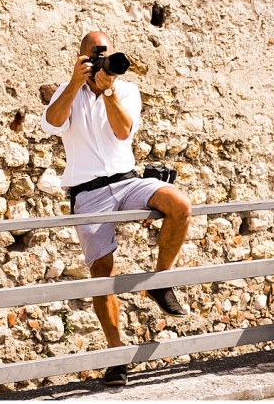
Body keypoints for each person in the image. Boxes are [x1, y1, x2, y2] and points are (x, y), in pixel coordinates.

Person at [41, 31, 192, 386]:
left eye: (106, 55)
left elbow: (124, 132)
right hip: (87, 193)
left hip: (127, 180)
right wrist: (76, 84)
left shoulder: (125, 90)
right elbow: (52, 123)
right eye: (94, 57)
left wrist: (107, 89)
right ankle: (116, 357)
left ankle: (160, 281)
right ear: (80, 58)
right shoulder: (68, 91)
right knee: (102, 274)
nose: (102, 62)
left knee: (179, 204)